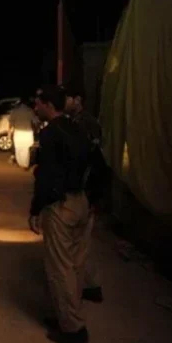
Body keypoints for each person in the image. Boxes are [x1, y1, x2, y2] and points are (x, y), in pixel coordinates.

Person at [29, 85, 92, 343]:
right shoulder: (77, 128)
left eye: (38, 103)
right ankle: (67, 317)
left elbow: (46, 177)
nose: (35, 107)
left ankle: (73, 330)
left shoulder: (50, 134)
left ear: (48, 105)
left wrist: (35, 210)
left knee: (60, 268)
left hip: (61, 205)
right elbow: (96, 162)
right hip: (81, 202)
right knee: (75, 265)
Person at [65, 87, 108, 303]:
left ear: (78, 99)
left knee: (78, 246)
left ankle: (82, 289)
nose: (65, 102)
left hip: (86, 192)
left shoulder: (85, 124)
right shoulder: (76, 121)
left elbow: (93, 163)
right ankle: (89, 286)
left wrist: (92, 196)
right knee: (82, 246)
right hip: (85, 192)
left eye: (68, 98)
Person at [9, 97, 37, 169]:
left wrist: (9, 134)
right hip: (28, 133)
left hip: (18, 133)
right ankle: (25, 164)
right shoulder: (30, 111)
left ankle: (21, 163)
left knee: (19, 149)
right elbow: (35, 122)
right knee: (27, 150)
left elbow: (11, 123)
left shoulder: (15, 111)